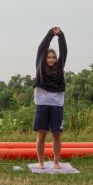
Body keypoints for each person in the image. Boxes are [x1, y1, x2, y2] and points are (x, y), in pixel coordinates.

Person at [33, 27, 67, 169]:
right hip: (42, 104)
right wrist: (50, 34)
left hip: (57, 105)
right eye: (49, 57)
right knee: (41, 135)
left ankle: (56, 162)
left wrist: (60, 35)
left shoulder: (59, 68)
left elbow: (64, 51)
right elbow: (42, 48)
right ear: (44, 58)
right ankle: (41, 162)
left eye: (53, 57)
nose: (51, 59)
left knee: (56, 135)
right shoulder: (40, 68)